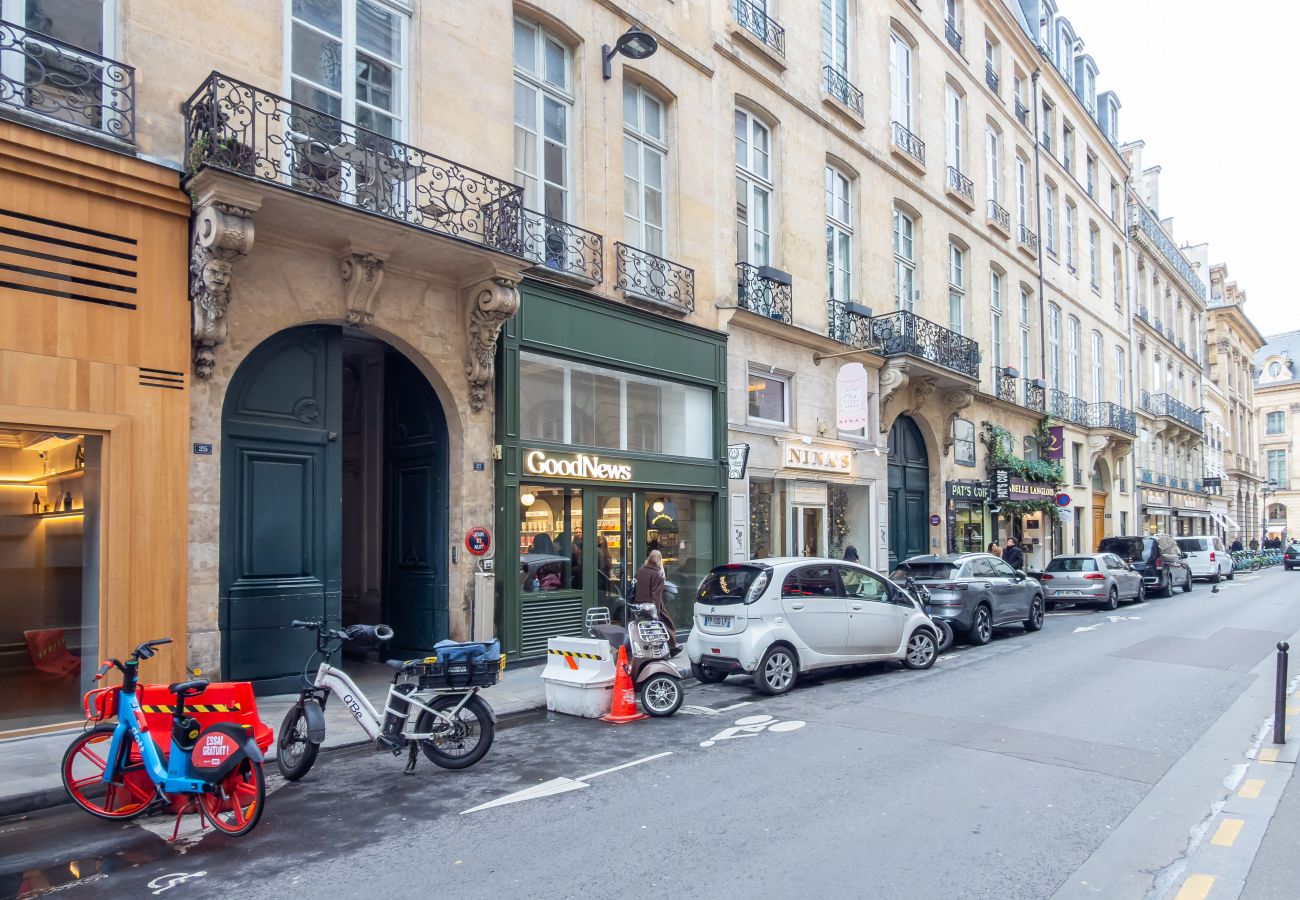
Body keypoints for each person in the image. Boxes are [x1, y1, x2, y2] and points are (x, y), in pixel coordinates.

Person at [633, 549, 680, 656]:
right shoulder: (658, 574)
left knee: (641, 627)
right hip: (651, 605)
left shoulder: (641, 570)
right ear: (659, 559)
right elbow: (656, 595)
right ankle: (671, 646)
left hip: (639, 604)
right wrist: (656, 612)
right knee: (667, 625)